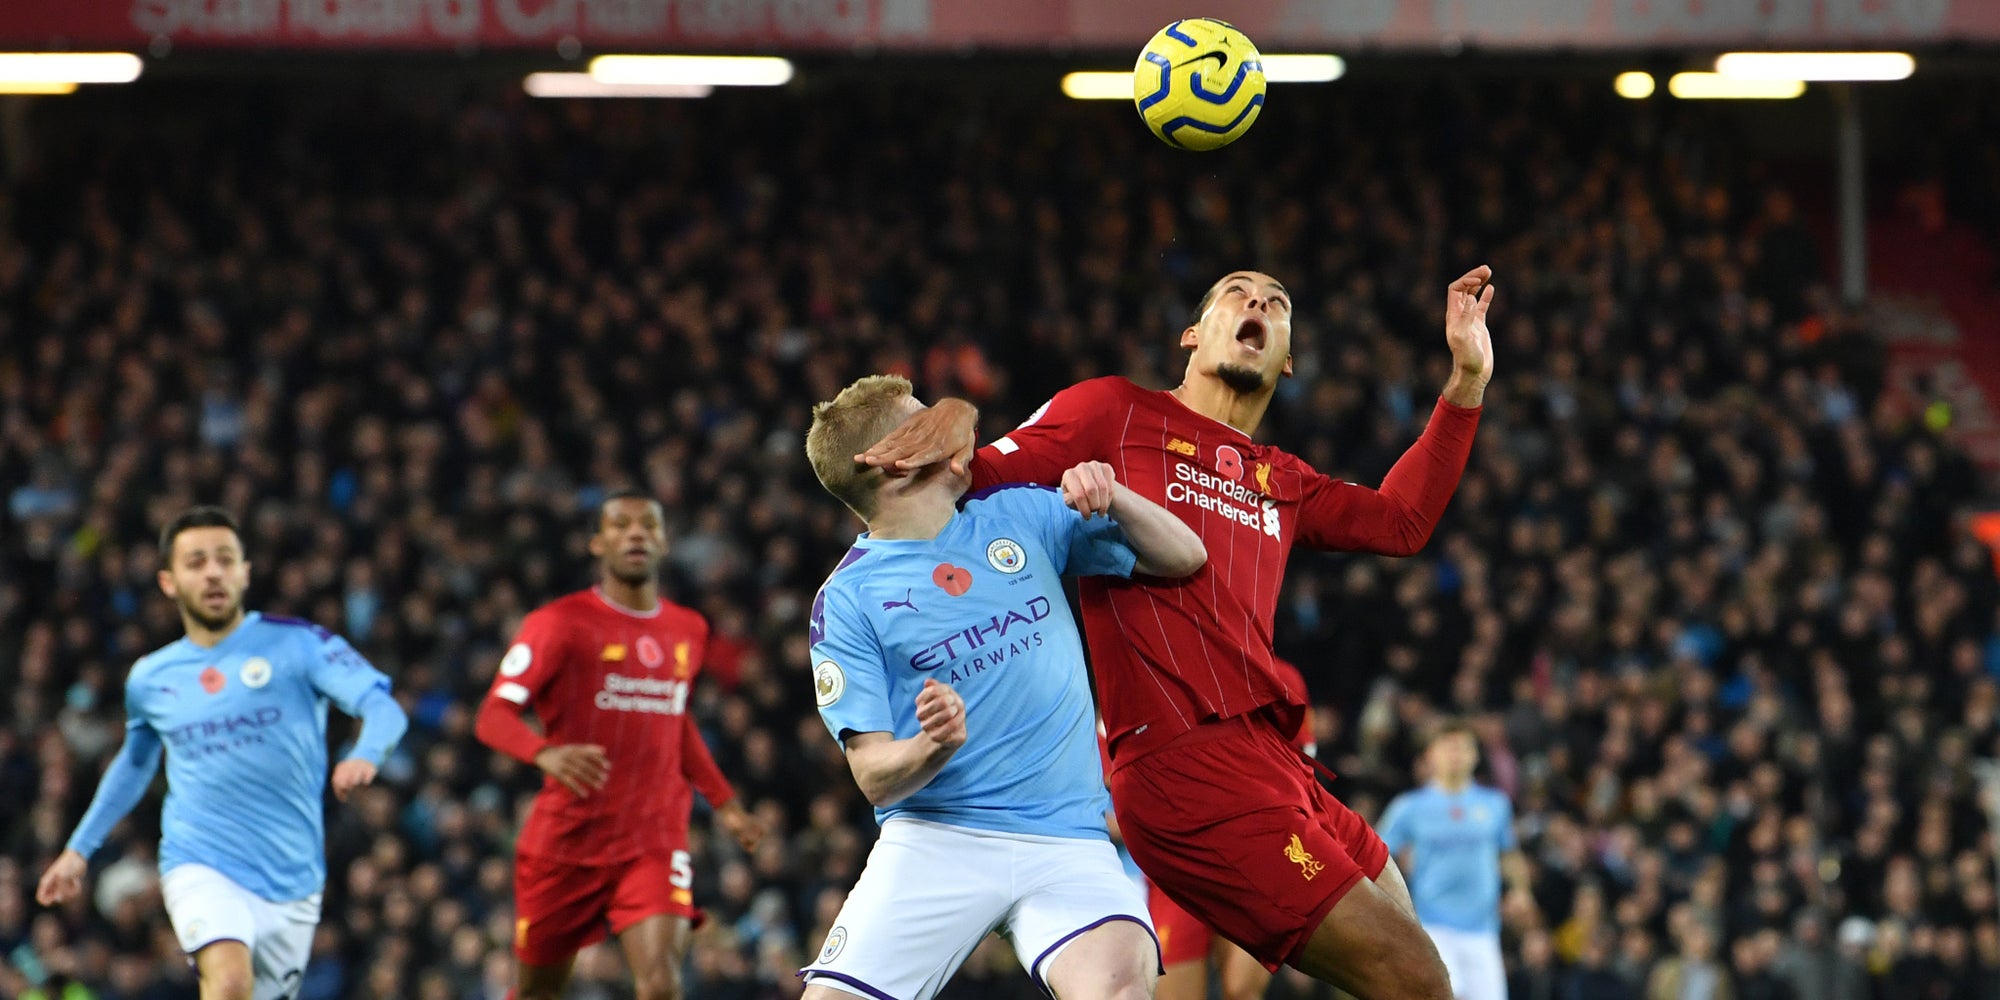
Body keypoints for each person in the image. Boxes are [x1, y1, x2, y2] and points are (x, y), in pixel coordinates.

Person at [860, 266, 1496, 999]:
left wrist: (1466, 381)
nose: (1259, 302)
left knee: (1414, 963)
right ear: (1192, 335)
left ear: (1288, 359)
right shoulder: (1113, 411)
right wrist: (951, 424)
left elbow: (1401, 521)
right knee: (1416, 979)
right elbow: (972, 481)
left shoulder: (1280, 479)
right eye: (1237, 292)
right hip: (1183, 765)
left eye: (1278, 303)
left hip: (1272, 758)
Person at [799, 375, 1207, 1000]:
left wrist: (1116, 496)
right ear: (894, 460)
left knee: (1121, 986)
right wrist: (932, 745)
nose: (950, 424)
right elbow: (873, 774)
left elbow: (1185, 556)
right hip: (937, 841)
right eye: (925, 419)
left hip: (1068, 839)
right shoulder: (847, 601)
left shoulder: (1018, 514)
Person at [36, 506, 409, 1000]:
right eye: (196, 562)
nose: (213, 572)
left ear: (245, 573)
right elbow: (136, 762)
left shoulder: (298, 643)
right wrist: (78, 849)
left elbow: (382, 706)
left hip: (292, 875)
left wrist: (367, 753)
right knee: (230, 983)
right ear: (169, 582)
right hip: (199, 859)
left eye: (225, 560)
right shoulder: (152, 677)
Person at [474, 490, 764, 1000]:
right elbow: (492, 716)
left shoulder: (688, 628)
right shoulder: (556, 623)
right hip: (568, 841)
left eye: (648, 525)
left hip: (653, 838)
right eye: (621, 524)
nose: (636, 533)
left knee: (661, 986)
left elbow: (674, 719)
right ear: (597, 543)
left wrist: (726, 804)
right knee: (541, 992)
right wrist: (543, 753)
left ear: (664, 542)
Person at [1152, 657, 1315, 1000]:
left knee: (1242, 992)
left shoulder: (1281, 676)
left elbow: (1301, 769)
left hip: (1255, 857)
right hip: (1183, 862)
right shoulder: (1164, 667)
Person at [1376, 721, 1532, 1000]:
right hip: (1433, 926)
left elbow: (1508, 853)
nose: (1455, 754)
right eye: (1448, 747)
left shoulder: (1495, 804)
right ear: (1431, 755)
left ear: (1475, 756)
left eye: (1462, 748)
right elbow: (1377, 852)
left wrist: (1520, 890)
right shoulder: (1410, 807)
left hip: (1483, 929)